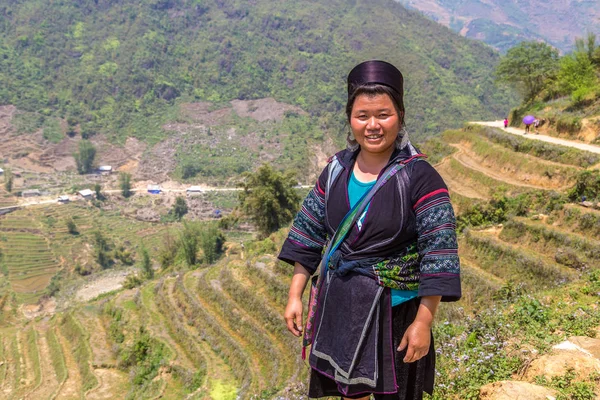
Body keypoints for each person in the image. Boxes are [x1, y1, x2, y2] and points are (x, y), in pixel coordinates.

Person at [278, 60, 461, 400]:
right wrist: (294, 295)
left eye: (383, 114)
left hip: (397, 313)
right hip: (343, 307)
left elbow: (439, 254)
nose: (373, 125)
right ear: (350, 119)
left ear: (400, 116)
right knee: (351, 395)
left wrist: (423, 323)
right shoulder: (335, 170)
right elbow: (308, 233)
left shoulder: (421, 177)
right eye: (363, 115)